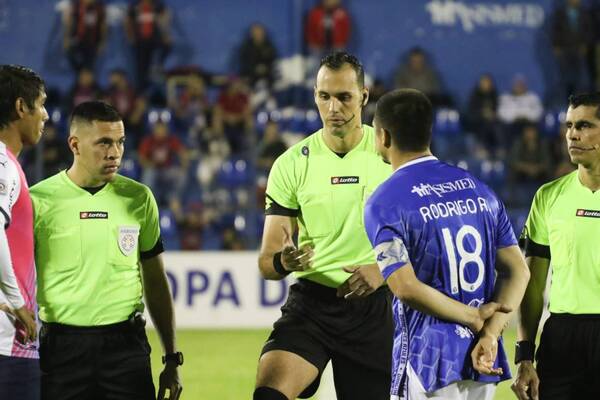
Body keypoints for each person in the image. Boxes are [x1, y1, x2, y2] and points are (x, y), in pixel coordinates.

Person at [365, 88, 530, 399]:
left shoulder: (385, 201)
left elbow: (404, 287)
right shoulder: (479, 189)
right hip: (482, 357)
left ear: (383, 136)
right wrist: (490, 331)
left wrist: (472, 316)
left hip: (427, 359)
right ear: (429, 131)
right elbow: (518, 271)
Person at [253, 52, 393, 400]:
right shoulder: (290, 164)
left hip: (376, 306)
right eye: (323, 96)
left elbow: (425, 239)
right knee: (269, 395)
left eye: (344, 97)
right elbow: (267, 261)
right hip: (312, 305)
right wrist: (284, 262)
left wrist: (381, 270)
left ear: (363, 96)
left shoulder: (392, 155)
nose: (333, 108)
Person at [30, 101, 182, 400]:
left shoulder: (139, 198)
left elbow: (155, 281)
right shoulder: (38, 201)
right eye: (103, 142)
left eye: (120, 142)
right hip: (61, 350)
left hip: (125, 349)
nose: (115, 152)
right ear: (74, 144)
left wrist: (172, 359)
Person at [512, 92, 600, 400]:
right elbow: (533, 282)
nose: (572, 134)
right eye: (569, 126)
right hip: (562, 338)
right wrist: (524, 354)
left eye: (584, 125)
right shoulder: (548, 197)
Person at [0, 64, 48, 400]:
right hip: (8, 343)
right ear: (21, 107)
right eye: (41, 104)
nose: (45, 115)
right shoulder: (3, 165)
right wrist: (17, 303)